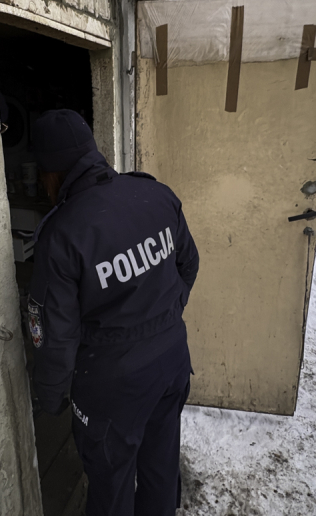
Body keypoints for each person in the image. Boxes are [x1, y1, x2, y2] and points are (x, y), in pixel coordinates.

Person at [27, 109, 199, 516]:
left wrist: (49, 398)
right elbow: (187, 266)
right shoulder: (157, 196)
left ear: (51, 172)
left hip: (112, 387)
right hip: (172, 363)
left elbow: (56, 336)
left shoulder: (62, 233)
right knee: (160, 467)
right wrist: (161, 321)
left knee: (111, 484)